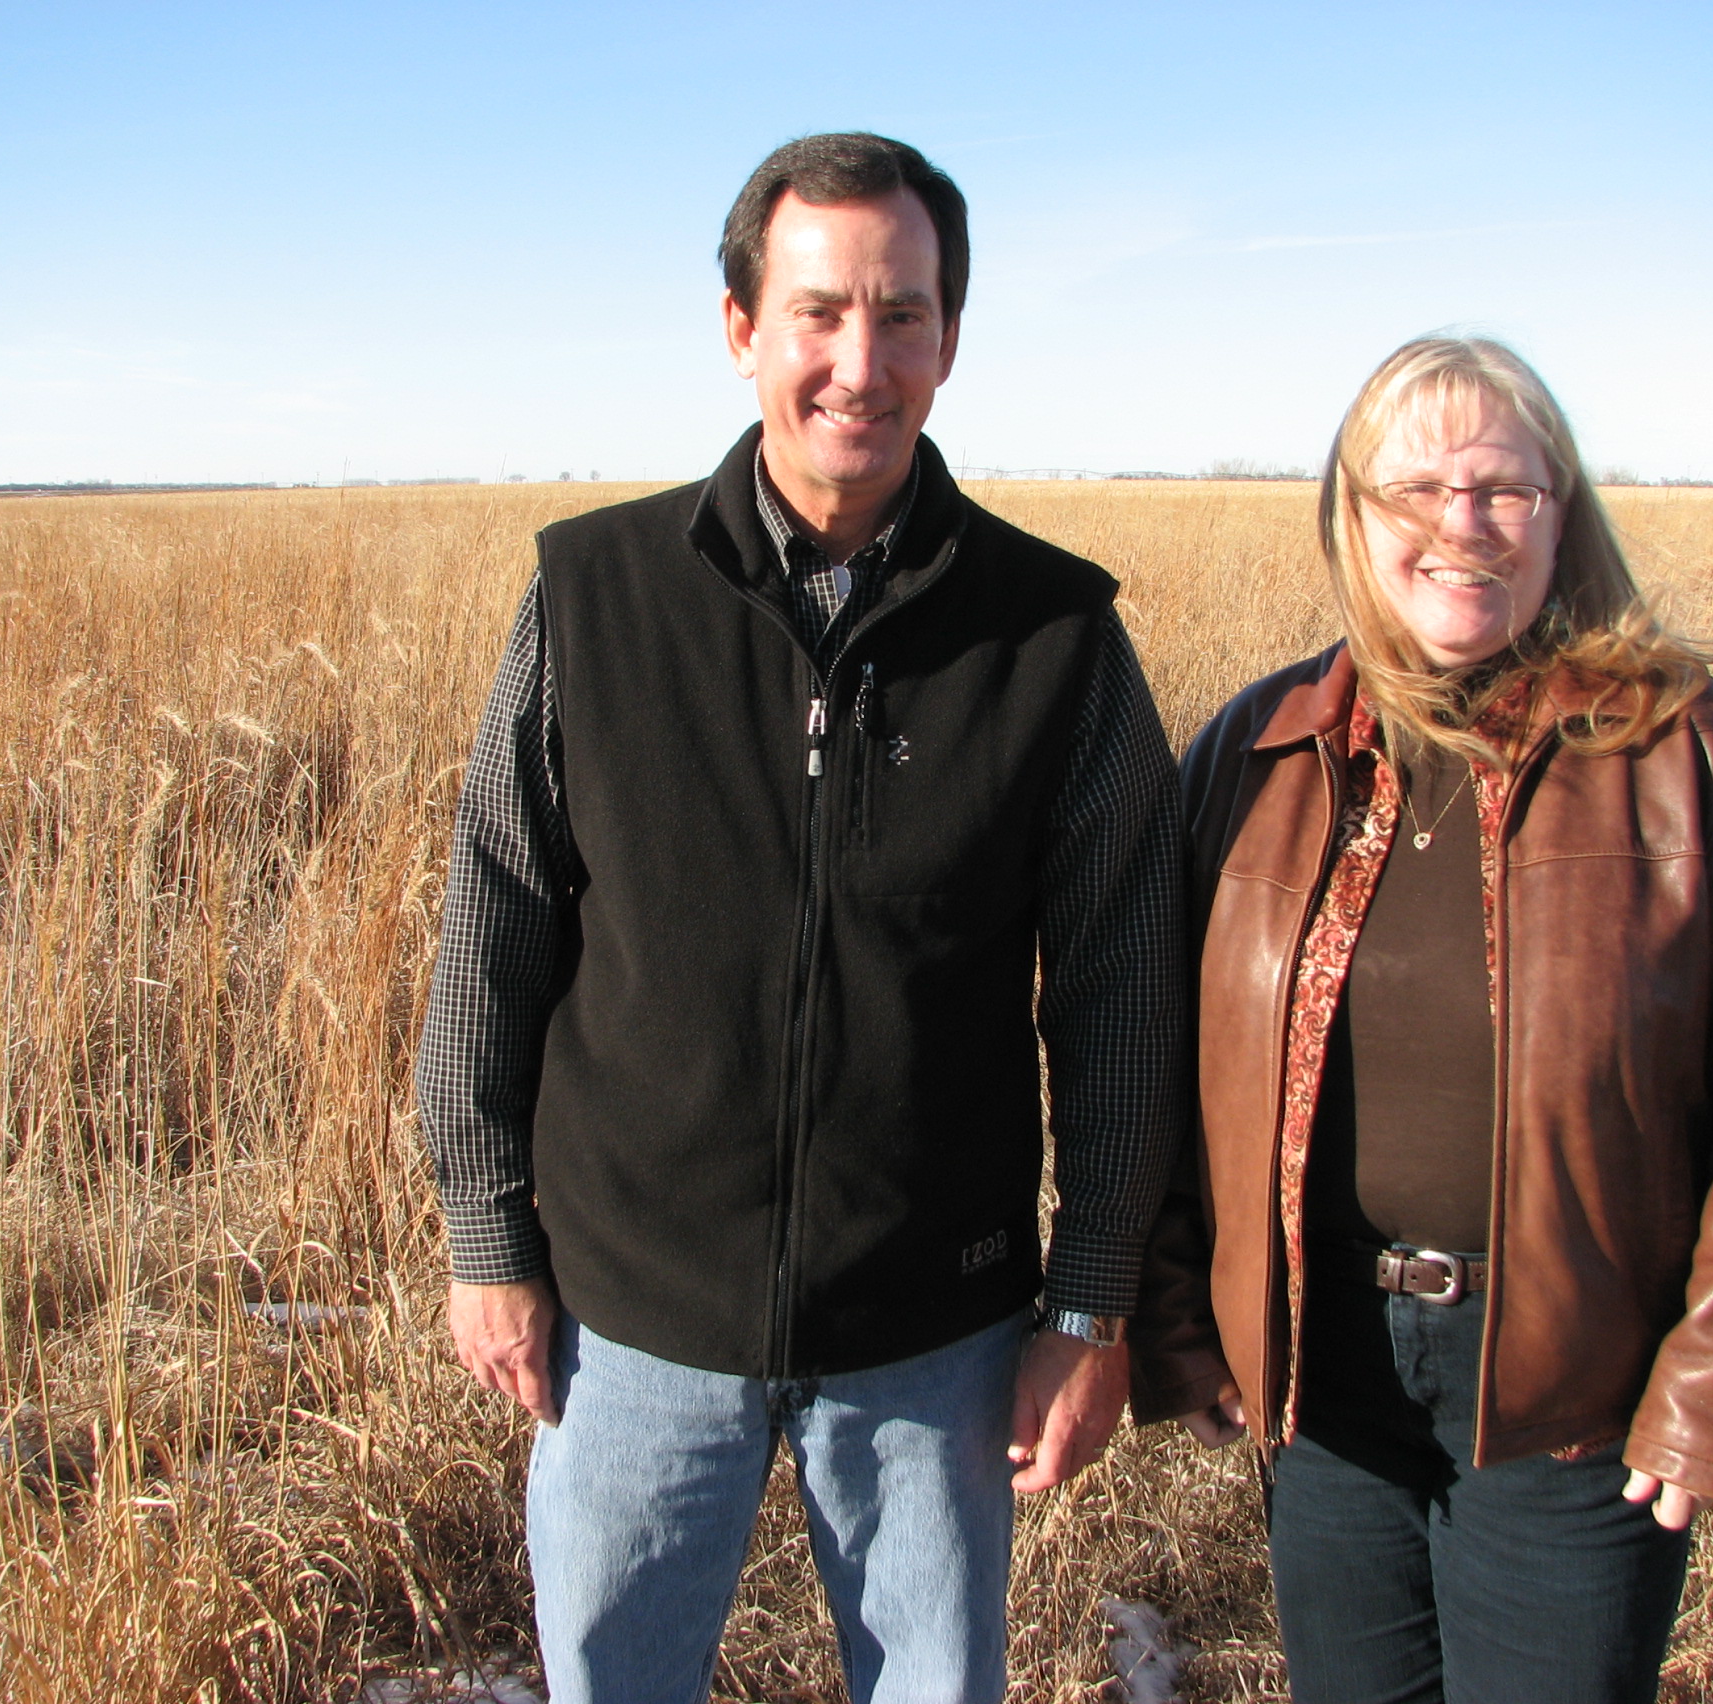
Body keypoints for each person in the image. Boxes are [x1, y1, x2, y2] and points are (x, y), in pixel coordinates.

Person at [414, 133, 1186, 1703]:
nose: (860, 361)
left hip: (935, 1335)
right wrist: (489, 1228)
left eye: (903, 315)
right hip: (629, 1321)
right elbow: (494, 919)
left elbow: (1122, 992)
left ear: (951, 340)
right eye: (820, 310)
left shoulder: (1056, 638)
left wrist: (1090, 1295)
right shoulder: (594, 596)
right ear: (739, 328)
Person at [1128, 336, 1713, 1702]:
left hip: (1574, 1393)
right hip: (1324, 1375)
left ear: (1561, 516)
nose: (1460, 526)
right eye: (1415, 490)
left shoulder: (1697, 755)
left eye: (1504, 490)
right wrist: (1182, 1311)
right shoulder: (1259, 746)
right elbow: (1162, 1053)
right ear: (1349, 517)